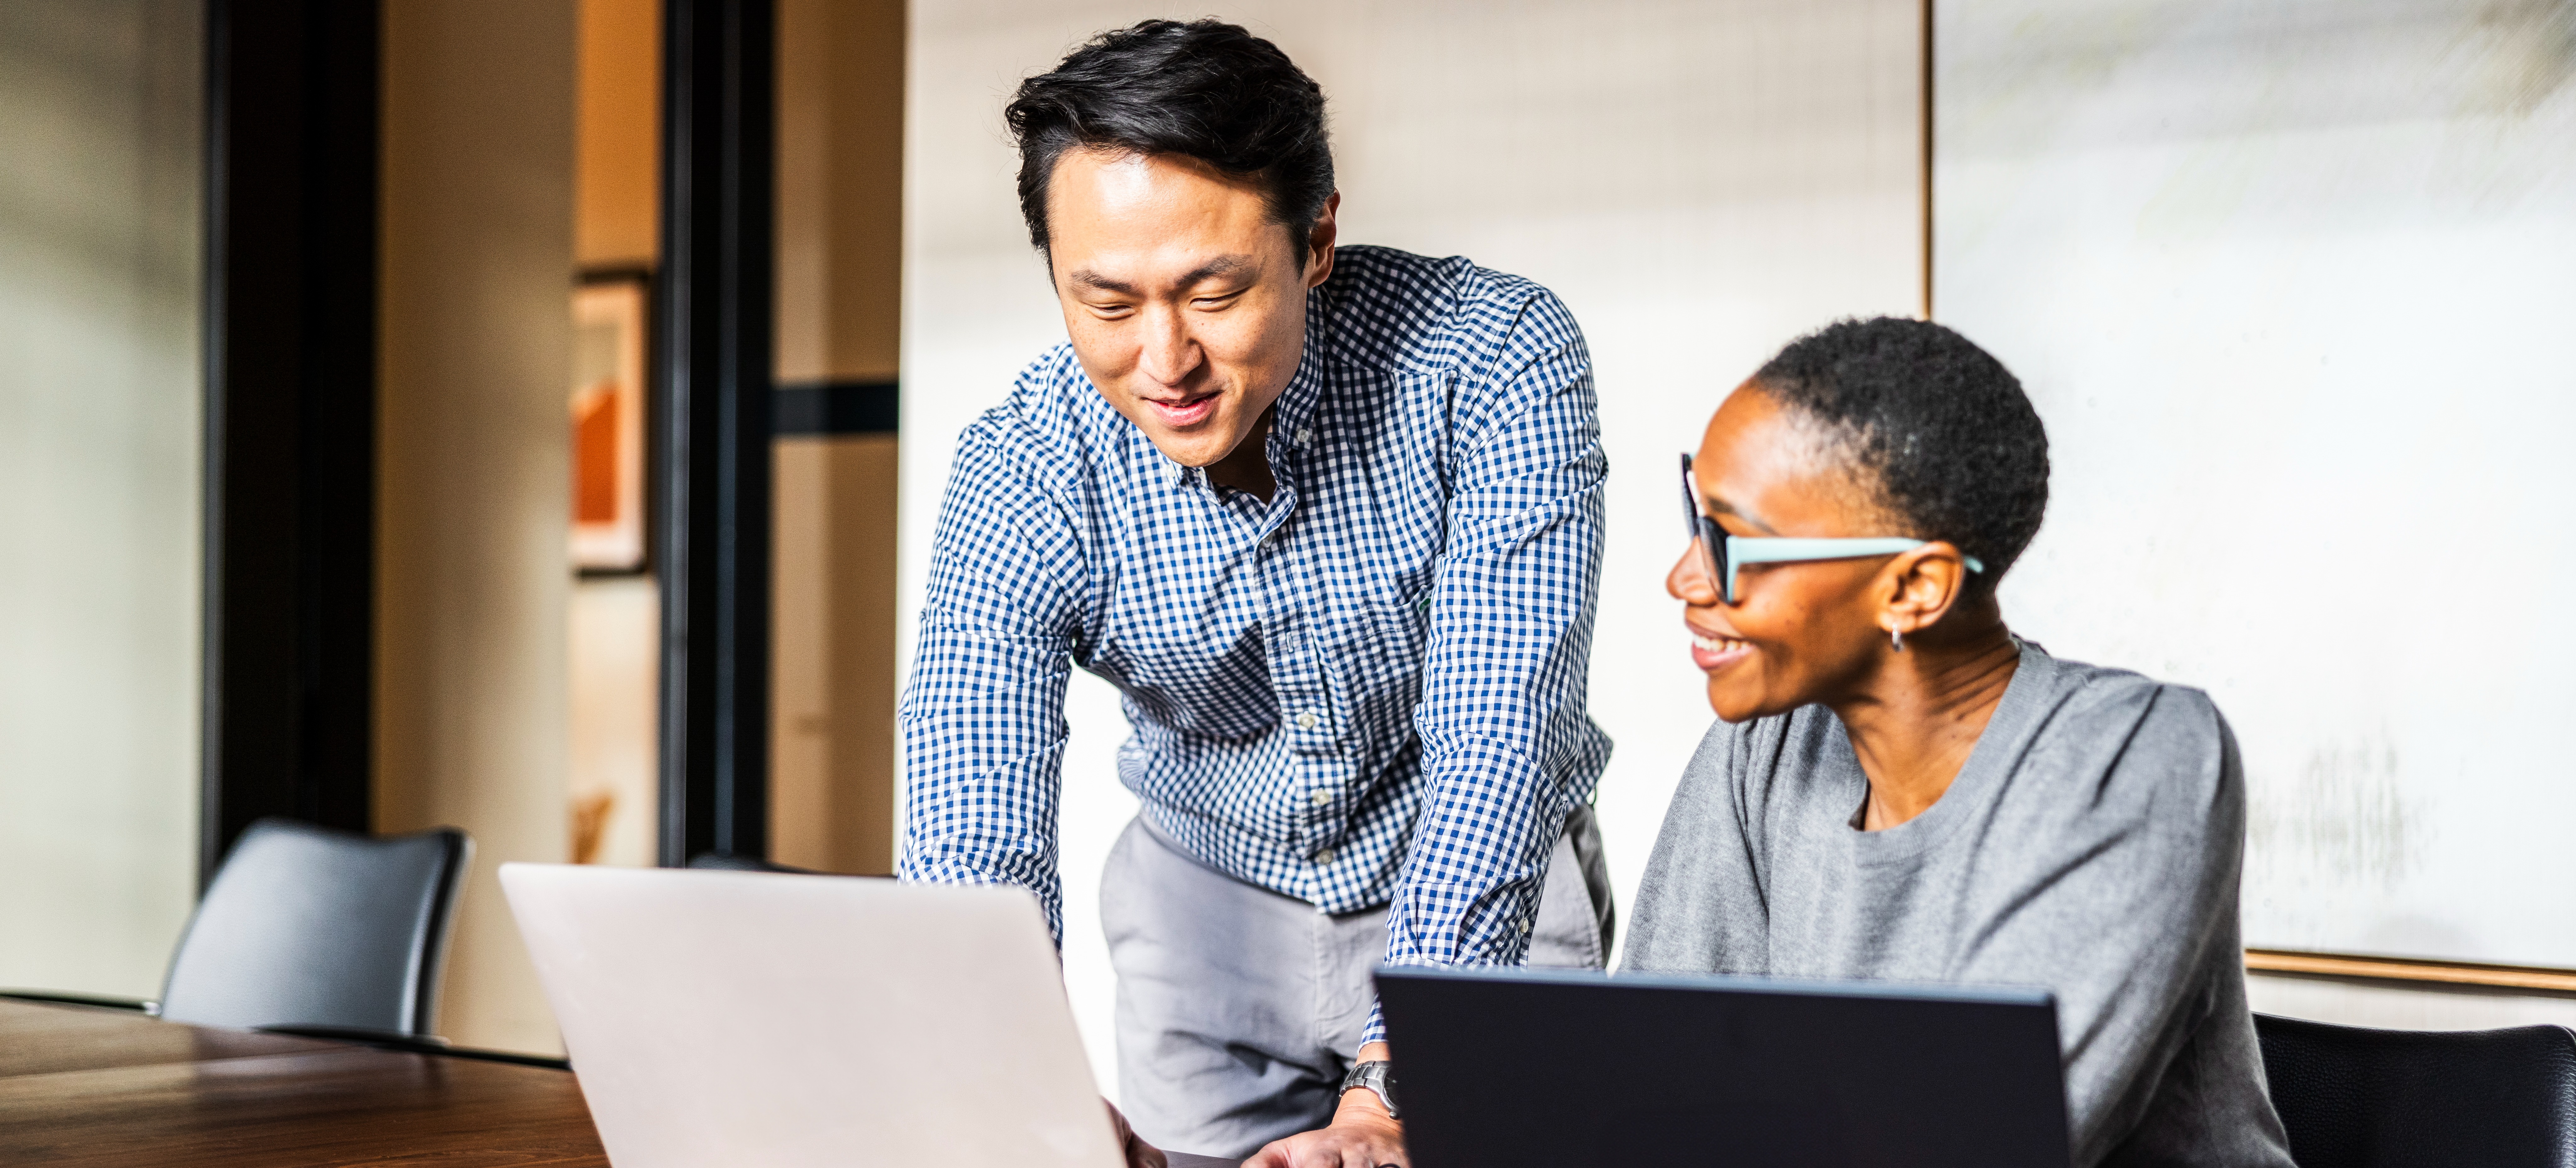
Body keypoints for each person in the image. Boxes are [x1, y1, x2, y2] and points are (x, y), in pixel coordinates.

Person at [898, 20, 1615, 1166]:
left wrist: (1398, 1081)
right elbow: (971, 793)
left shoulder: (1492, 358)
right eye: (1108, 302)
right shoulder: (1025, 463)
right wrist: (1007, 1084)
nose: (1165, 360)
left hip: (1483, 887)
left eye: (1214, 292)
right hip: (1204, 910)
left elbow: (1498, 731)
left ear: (1317, 237)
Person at [1622, 317, 2296, 1167]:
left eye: (1730, 541)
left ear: (1914, 587)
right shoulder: (1763, 749)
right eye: (1695, 515)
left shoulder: (2134, 759)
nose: (1683, 577)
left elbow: (1971, 1139)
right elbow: (1657, 1089)